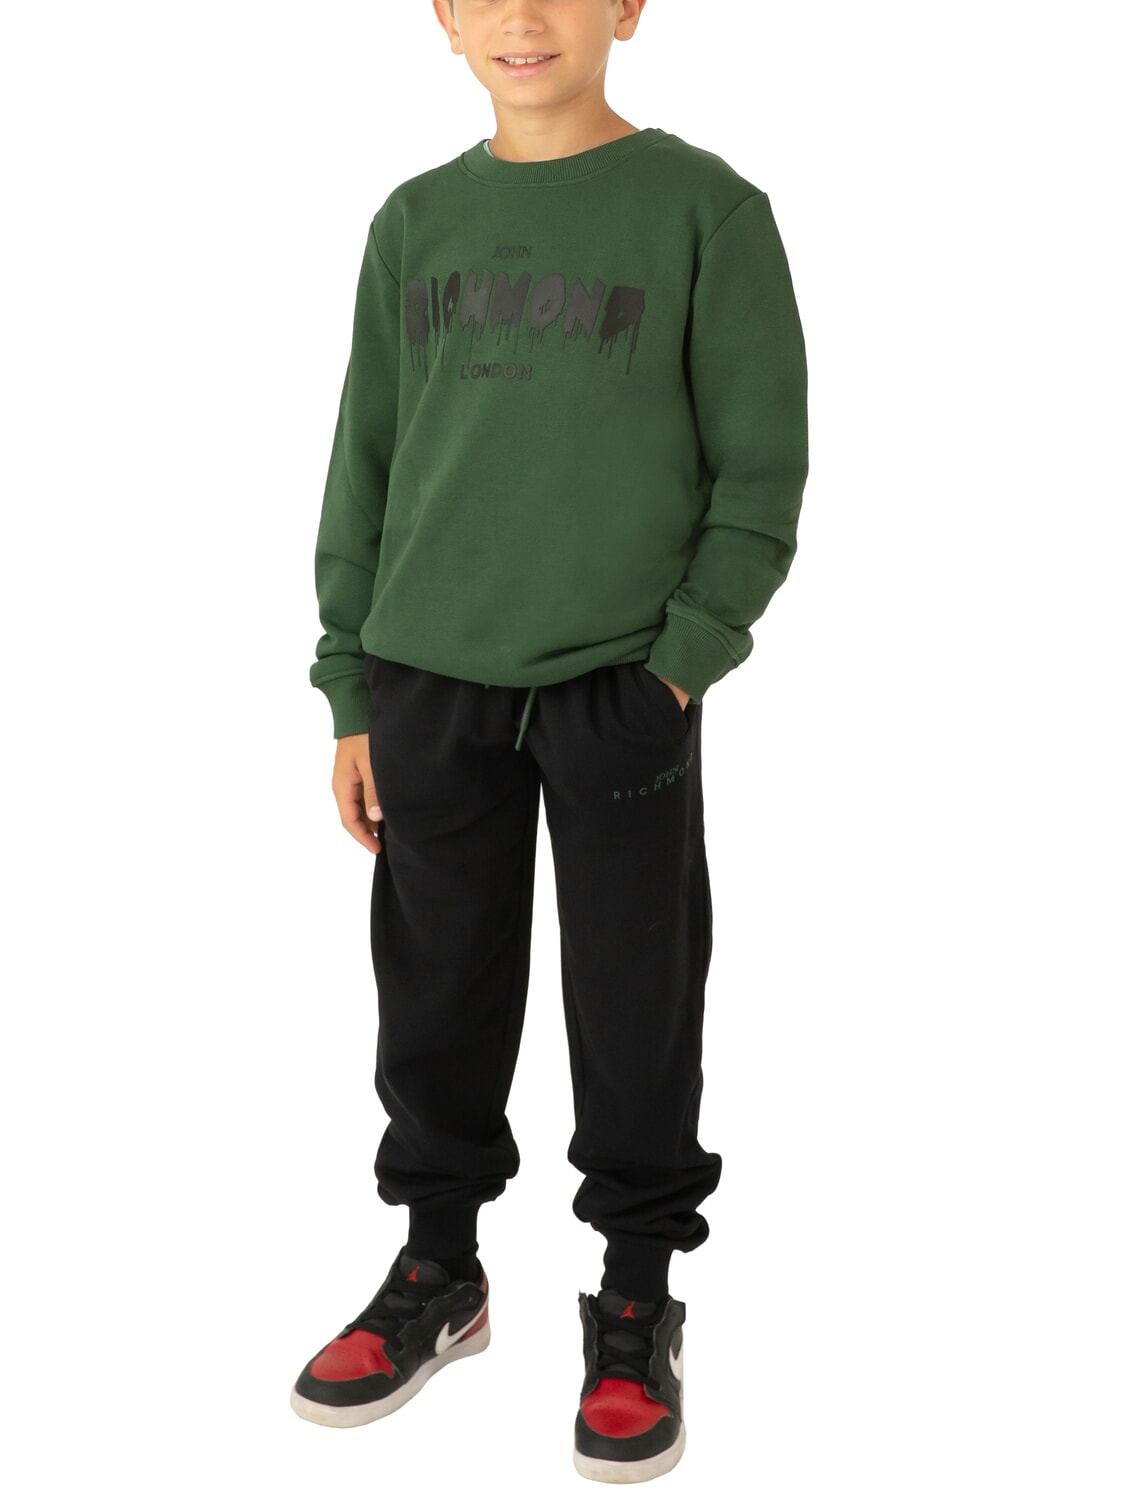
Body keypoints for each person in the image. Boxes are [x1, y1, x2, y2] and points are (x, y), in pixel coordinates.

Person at [291, 0, 808, 1483]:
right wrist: (350, 684)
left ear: (629, 6)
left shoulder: (707, 213)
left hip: (617, 684)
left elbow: (760, 468)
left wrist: (679, 665)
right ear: (444, 20)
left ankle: (635, 1293)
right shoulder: (414, 223)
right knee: (436, 985)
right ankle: (438, 1266)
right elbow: (365, 459)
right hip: (426, 675)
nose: (525, 17)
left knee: (635, 988)